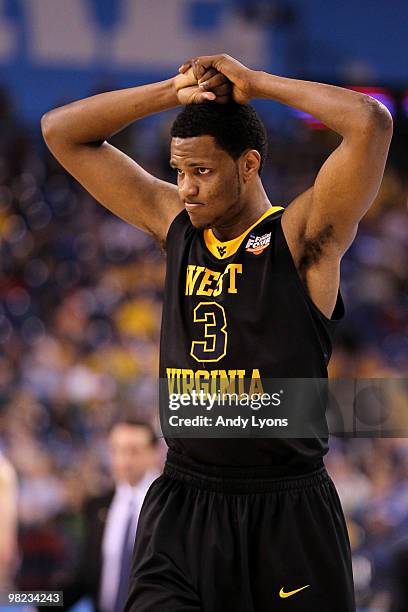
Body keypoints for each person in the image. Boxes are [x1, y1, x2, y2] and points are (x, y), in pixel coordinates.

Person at [41, 53, 392, 611]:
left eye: (202, 171)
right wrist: (170, 91)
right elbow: (60, 132)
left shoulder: (300, 239)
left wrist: (258, 84)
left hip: (286, 510)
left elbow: (370, 123)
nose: (185, 187)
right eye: (179, 171)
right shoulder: (174, 224)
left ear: (249, 164)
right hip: (184, 502)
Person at [50, 419, 159, 612]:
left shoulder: (169, 507)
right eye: (116, 450)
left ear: (153, 453)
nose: (124, 460)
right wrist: (37, 604)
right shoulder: (97, 507)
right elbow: (83, 577)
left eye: (133, 450)